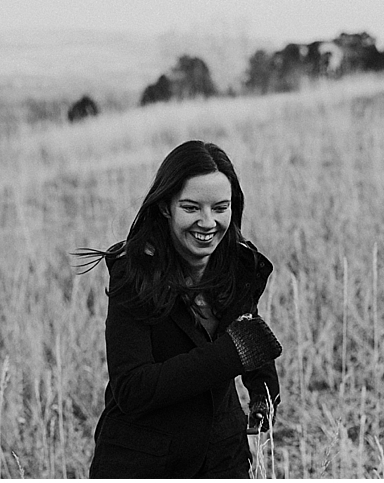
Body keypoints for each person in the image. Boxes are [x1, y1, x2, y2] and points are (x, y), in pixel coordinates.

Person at [76, 140, 282, 478]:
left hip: (222, 456)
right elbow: (132, 389)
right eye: (191, 207)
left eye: (220, 207)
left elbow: (246, 328)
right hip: (145, 460)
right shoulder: (136, 272)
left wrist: (262, 389)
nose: (208, 222)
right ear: (166, 207)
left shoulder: (238, 264)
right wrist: (231, 355)